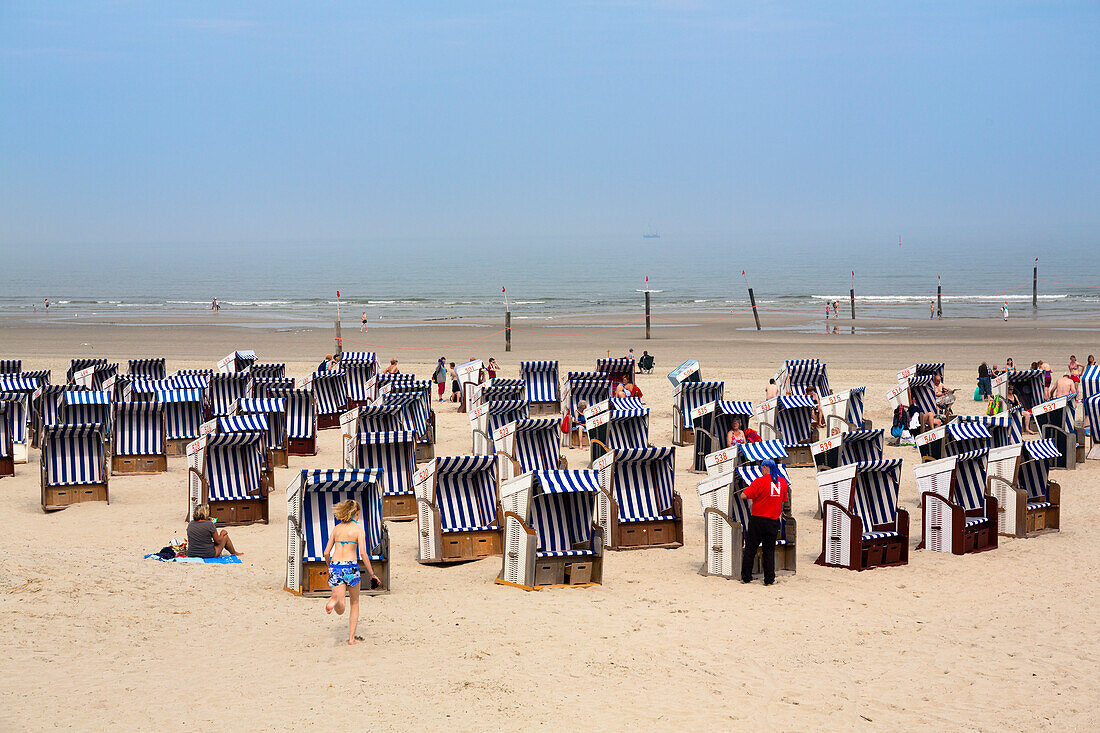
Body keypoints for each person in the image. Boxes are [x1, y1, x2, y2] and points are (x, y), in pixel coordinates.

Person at [323, 499, 378, 646]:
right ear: (357, 513)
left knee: (341, 607)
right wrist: (372, 573)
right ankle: (351, 639)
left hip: (336, 566)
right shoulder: (358, 530)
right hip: (351, 567)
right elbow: (363, 554)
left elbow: (326, 553)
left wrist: (331, 568)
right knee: (355, 603)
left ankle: (335, 601)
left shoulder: (336, 529)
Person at [740, 459, 788, 586]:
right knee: (769, 551)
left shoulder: (760, 481)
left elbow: (743, 495)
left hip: (758, 520)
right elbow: (783, 499)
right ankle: (769, 579)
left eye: (762, 468)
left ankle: (746, 577)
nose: (761, 471)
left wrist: (757, 496)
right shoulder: (782, 482)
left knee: (751, 549)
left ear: (766, 468)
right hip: (773, 521)